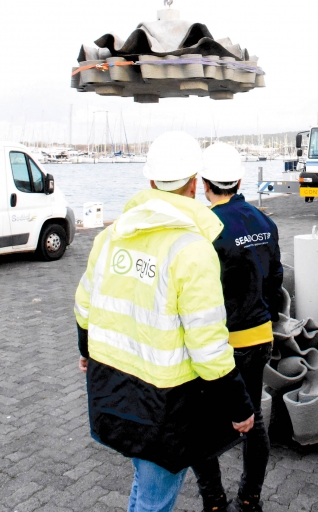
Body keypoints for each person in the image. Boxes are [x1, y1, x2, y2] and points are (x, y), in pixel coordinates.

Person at [74, 132, 254, 512]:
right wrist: (240, 408)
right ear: (193, 185)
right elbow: (208, 349)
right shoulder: (192, 250)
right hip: (164, 404)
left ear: (152, 182)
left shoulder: (109, 238)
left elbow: (84, 307)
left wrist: (85, 351)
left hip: (113, 387)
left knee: (146, 483)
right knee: (155, 499)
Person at [193, 142, 284, 512]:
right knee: (253, 419)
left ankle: (214, 502)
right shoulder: (265, 222)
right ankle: (249, 498)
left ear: (203, 184)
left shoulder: (207, 228)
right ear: (240, 179)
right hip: (260, 336)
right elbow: (276, 280)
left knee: (200, 424)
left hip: (221, 342)